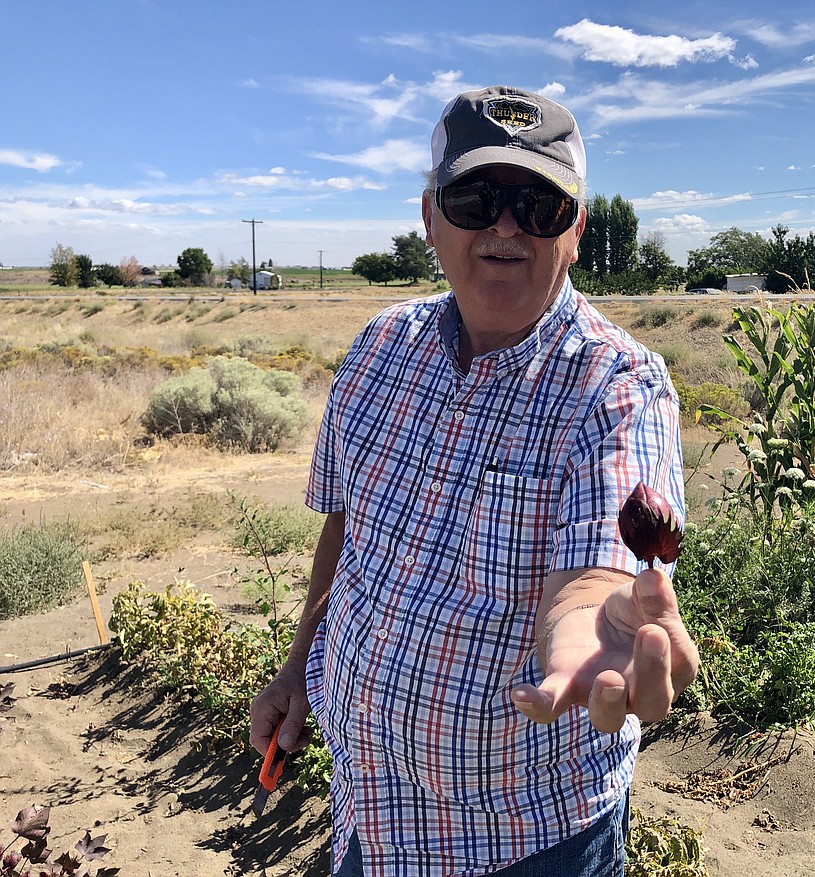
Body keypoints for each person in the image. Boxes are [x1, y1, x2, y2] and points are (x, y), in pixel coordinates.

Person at [249, 84, 699, 877]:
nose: (504, 226)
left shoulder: (617, 387)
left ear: (577, 230)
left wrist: (594, 638)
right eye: (475, 197)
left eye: (540, 206)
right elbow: (348, 528)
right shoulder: (382, 346)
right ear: (430, 217)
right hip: (368, 815)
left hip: (523, 843)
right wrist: (298, 665)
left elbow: (595, 574)